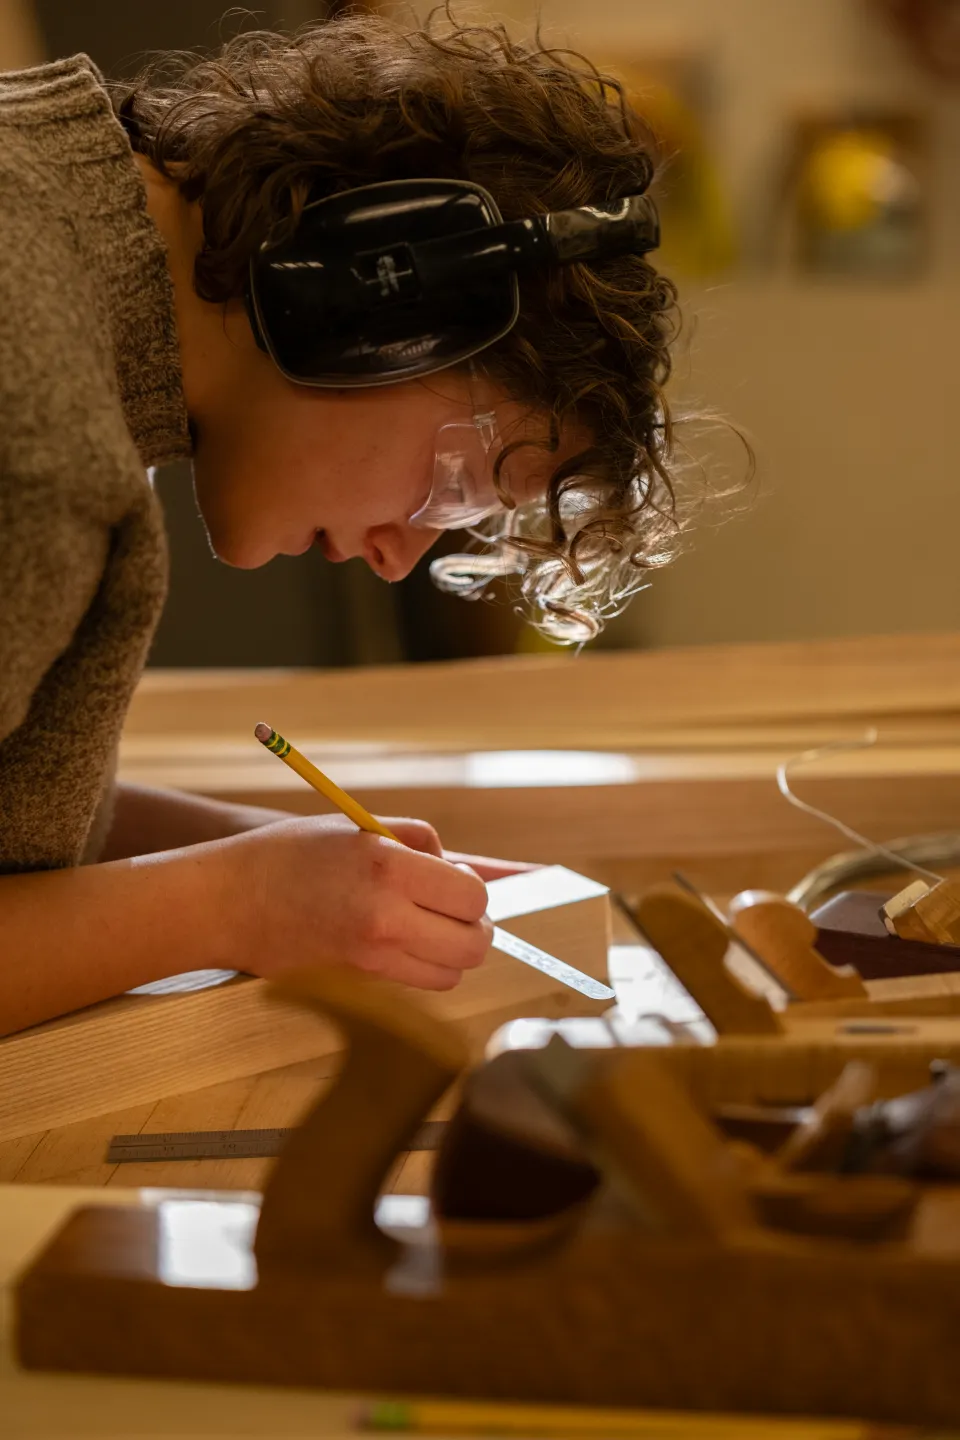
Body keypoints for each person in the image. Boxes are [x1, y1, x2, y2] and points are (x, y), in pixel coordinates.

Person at [0, 9, 687, 1035]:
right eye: (454, 487)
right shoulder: (39, 435)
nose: (399, 551)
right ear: (375, 297)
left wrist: (291, 865)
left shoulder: (47, 237)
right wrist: (232, 902)